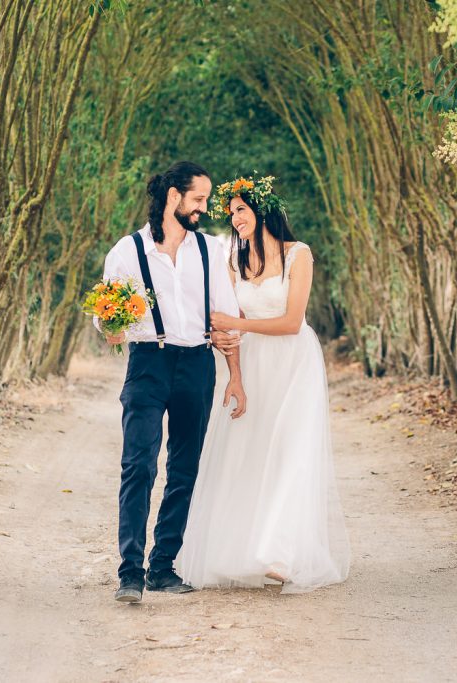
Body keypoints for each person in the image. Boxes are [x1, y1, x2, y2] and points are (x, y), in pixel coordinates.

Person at [176, 174, 350, 594]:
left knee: (291, 454)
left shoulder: (298, 255)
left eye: (240, 209)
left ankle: (281, 552)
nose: (235, 219)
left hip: (293, 364)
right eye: (230, 213)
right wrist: (229, 361)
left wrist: (236, 322)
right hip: (253, 366)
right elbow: (224, 321)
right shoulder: (234, 262)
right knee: (249, 455)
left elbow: (292, 322)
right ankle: (239, 549)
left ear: (262, 209)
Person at [98, 161, 246, 604]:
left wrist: (234, 373)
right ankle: (130, 572)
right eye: (198, 199)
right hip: (148, 362)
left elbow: (225, 317)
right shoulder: (127, 252)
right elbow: (107, 320)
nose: (204, 208)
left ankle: (163, 567)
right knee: (138, 466)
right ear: (172, 197)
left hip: (198, 365)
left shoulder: (209, 253)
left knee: (185, 470)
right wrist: (110, 326)